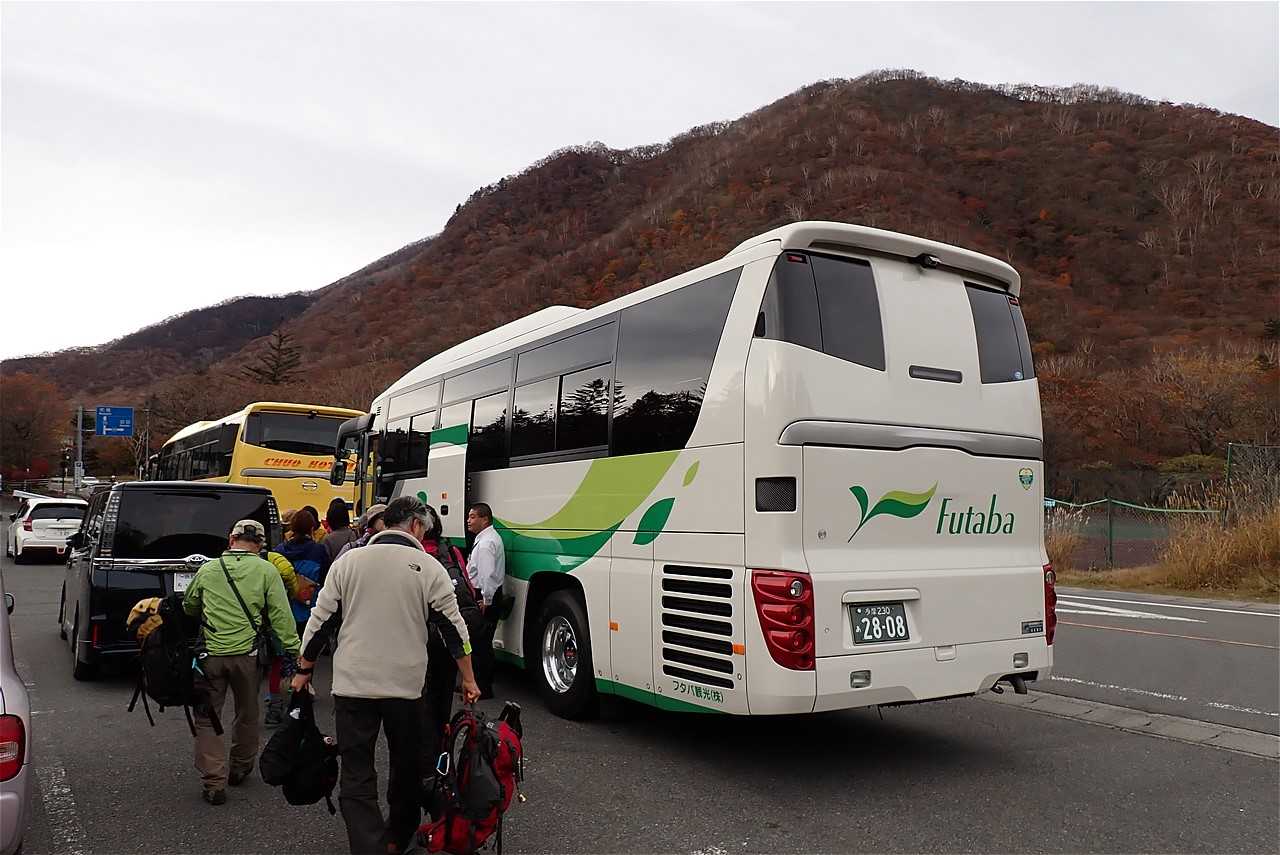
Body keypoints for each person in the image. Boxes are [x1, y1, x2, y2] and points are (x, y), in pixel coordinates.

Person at [291, 496, 480, 855]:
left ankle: (368, 846)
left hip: (353, 684)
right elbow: (455, 631)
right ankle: (397, 836)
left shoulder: (348, 562)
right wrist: (468, 679)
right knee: (406, 766)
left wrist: (305, 669)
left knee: (357, 770)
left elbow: (320, 621)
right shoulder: (429, 568)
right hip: (405, 687)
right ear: (415, 526)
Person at [182, 520, 300, 806]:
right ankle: (240, 767)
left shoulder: (208, 569)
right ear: (260, 544)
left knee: (207, 717)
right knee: (247, 712)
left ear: (231, 539)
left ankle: (214, 781)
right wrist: (294, 650)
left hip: (210, 656)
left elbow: (189, 605)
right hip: (248, 656)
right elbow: (281, 615)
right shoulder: (266, 570)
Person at [419, 505, 481, 771]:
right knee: (441, 698)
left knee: (416, 702)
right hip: (448, 641)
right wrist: (469, 677)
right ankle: (439, 760)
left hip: (418, 640)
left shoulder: (413, 555)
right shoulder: (451, 551)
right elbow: (469, 588)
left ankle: (419, 762)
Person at [465, 502, 505, 700]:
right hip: (487, 594)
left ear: (485, 519)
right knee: (480, 642)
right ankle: (479, 683)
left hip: (485, 595)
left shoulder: (487, 543)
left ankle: (483, 687)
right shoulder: (486, 539)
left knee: (481, 644)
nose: (468, 521)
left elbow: (487, 574)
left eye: (473, 517)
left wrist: (486, 600)